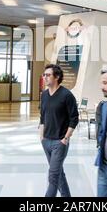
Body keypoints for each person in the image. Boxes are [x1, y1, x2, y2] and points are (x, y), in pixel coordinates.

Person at [39, 64, 79, 197]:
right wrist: (42, 137)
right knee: (58, 173)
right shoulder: (44, 95)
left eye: (48, 75)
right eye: (44, 75)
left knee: (53, 176)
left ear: (57, 77)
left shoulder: (66, 95)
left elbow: (74, 118)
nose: (45, 77)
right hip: (46, 141)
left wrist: (65, 139)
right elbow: (42, 117)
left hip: (59, 143)